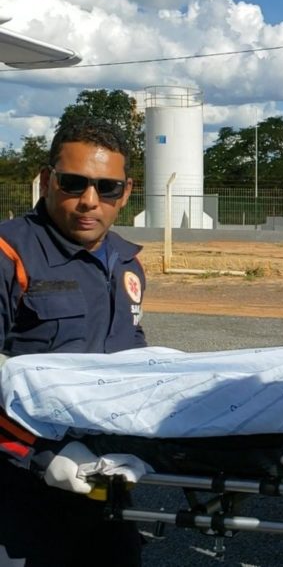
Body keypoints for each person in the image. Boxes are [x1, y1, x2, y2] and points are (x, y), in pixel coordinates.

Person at [0, 116, 146, 566]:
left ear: (125, 192)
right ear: (47, 181)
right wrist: (42, 455)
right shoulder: (9, 254)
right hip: (17, 491)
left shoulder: (126, 262)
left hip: (104, 483)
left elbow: (133, 358)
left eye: (106, 187)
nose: (89, 201)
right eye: (73, 183)